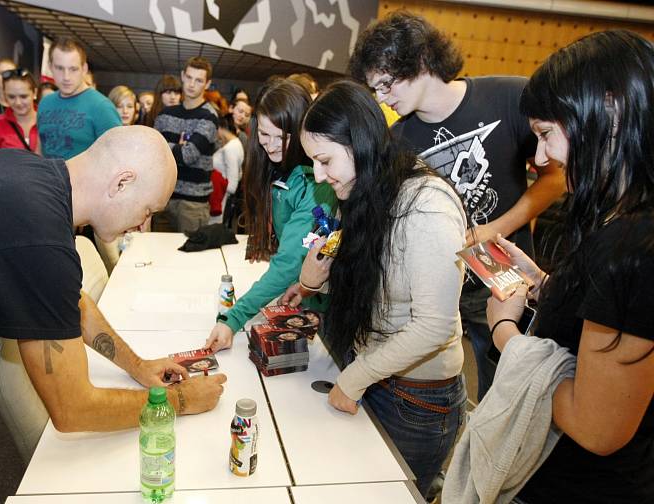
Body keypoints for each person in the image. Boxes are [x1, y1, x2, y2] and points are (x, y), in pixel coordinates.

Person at [0, 126, 227, 503]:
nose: (143, 223)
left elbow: (67, 300)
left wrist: (139, 366)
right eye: (148, 209)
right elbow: (73, 408)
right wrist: (180, 402)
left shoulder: (33, 176)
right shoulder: (36, 235)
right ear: (122, 183)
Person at [348, 11, 566, 400]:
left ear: (419, 61)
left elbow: (555, 179)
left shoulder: (508, 96)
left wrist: (492, 229)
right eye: (374, 89)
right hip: (435, 287)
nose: (382, 98)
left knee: (506, 392)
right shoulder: (397, 140)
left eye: (385, 84)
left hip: (503, 276)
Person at [486, 29, 654, 503]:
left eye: (545, 135)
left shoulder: (632, 246)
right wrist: (542, 285)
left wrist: (505, 334)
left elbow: (597, 427)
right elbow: (611, 313)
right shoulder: (621, 221)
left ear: (611, 109)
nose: (542, 159)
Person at [280, 80, 467, 499]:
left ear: (360, 142)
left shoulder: (425, 206)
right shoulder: (365, 190)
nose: (318, 175)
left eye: (325, 160)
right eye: (313, 162)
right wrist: (312, 280)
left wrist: (354, 378)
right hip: (374, 374)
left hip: (416, 402)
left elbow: (434, 326)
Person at [204, 79, 337, 352]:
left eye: (284, 137)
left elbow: (290, 261)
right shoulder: (275, 169)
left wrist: (234, 318)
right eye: (265, 135)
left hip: (323, 310)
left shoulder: (316, 183)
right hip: (296, 295)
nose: (273, 145)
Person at [153, 57, 218, 232]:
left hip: (193, 203)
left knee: (191, 257)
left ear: (207, 84)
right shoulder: (165, 114)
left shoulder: (209, 117)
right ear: (182, 75)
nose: (191, 84)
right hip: (163, 198)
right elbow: (152, 153)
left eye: (198, 80)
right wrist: (178, 146)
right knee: (159, 255)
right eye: (189, 77)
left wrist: (166, 146)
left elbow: (188, 156)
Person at [36, 37, 121, 159]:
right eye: (60, 68)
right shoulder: (45, 102)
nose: (66, 77)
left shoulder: (101, 106)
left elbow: (116, 156)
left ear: (84, 69)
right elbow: (39, 148)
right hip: (46, 177)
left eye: (73, 69)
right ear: (50, 67)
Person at [0, 69, 39, 152]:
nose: (18, 103)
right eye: (11, 97)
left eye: (23, 96)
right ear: (5, 95)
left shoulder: (48, 120)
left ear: (34, 93)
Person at [208, 114, 244, 224]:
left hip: (221, 196)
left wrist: (220, 184)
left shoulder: (230, 148)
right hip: (221, 194)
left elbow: (232, 183)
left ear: (220, 128)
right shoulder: (235, 144)